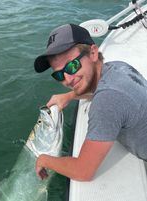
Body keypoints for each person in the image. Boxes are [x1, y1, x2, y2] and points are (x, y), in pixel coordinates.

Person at [33, 23, 147, 181]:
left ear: (93, 53)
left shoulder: (107, 101)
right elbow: (100, 90)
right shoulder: (117, 67)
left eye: (72, 66)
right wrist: (69, 96)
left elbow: (83, 171)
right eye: (58, 75)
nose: (68, 79)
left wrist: (42, 159)